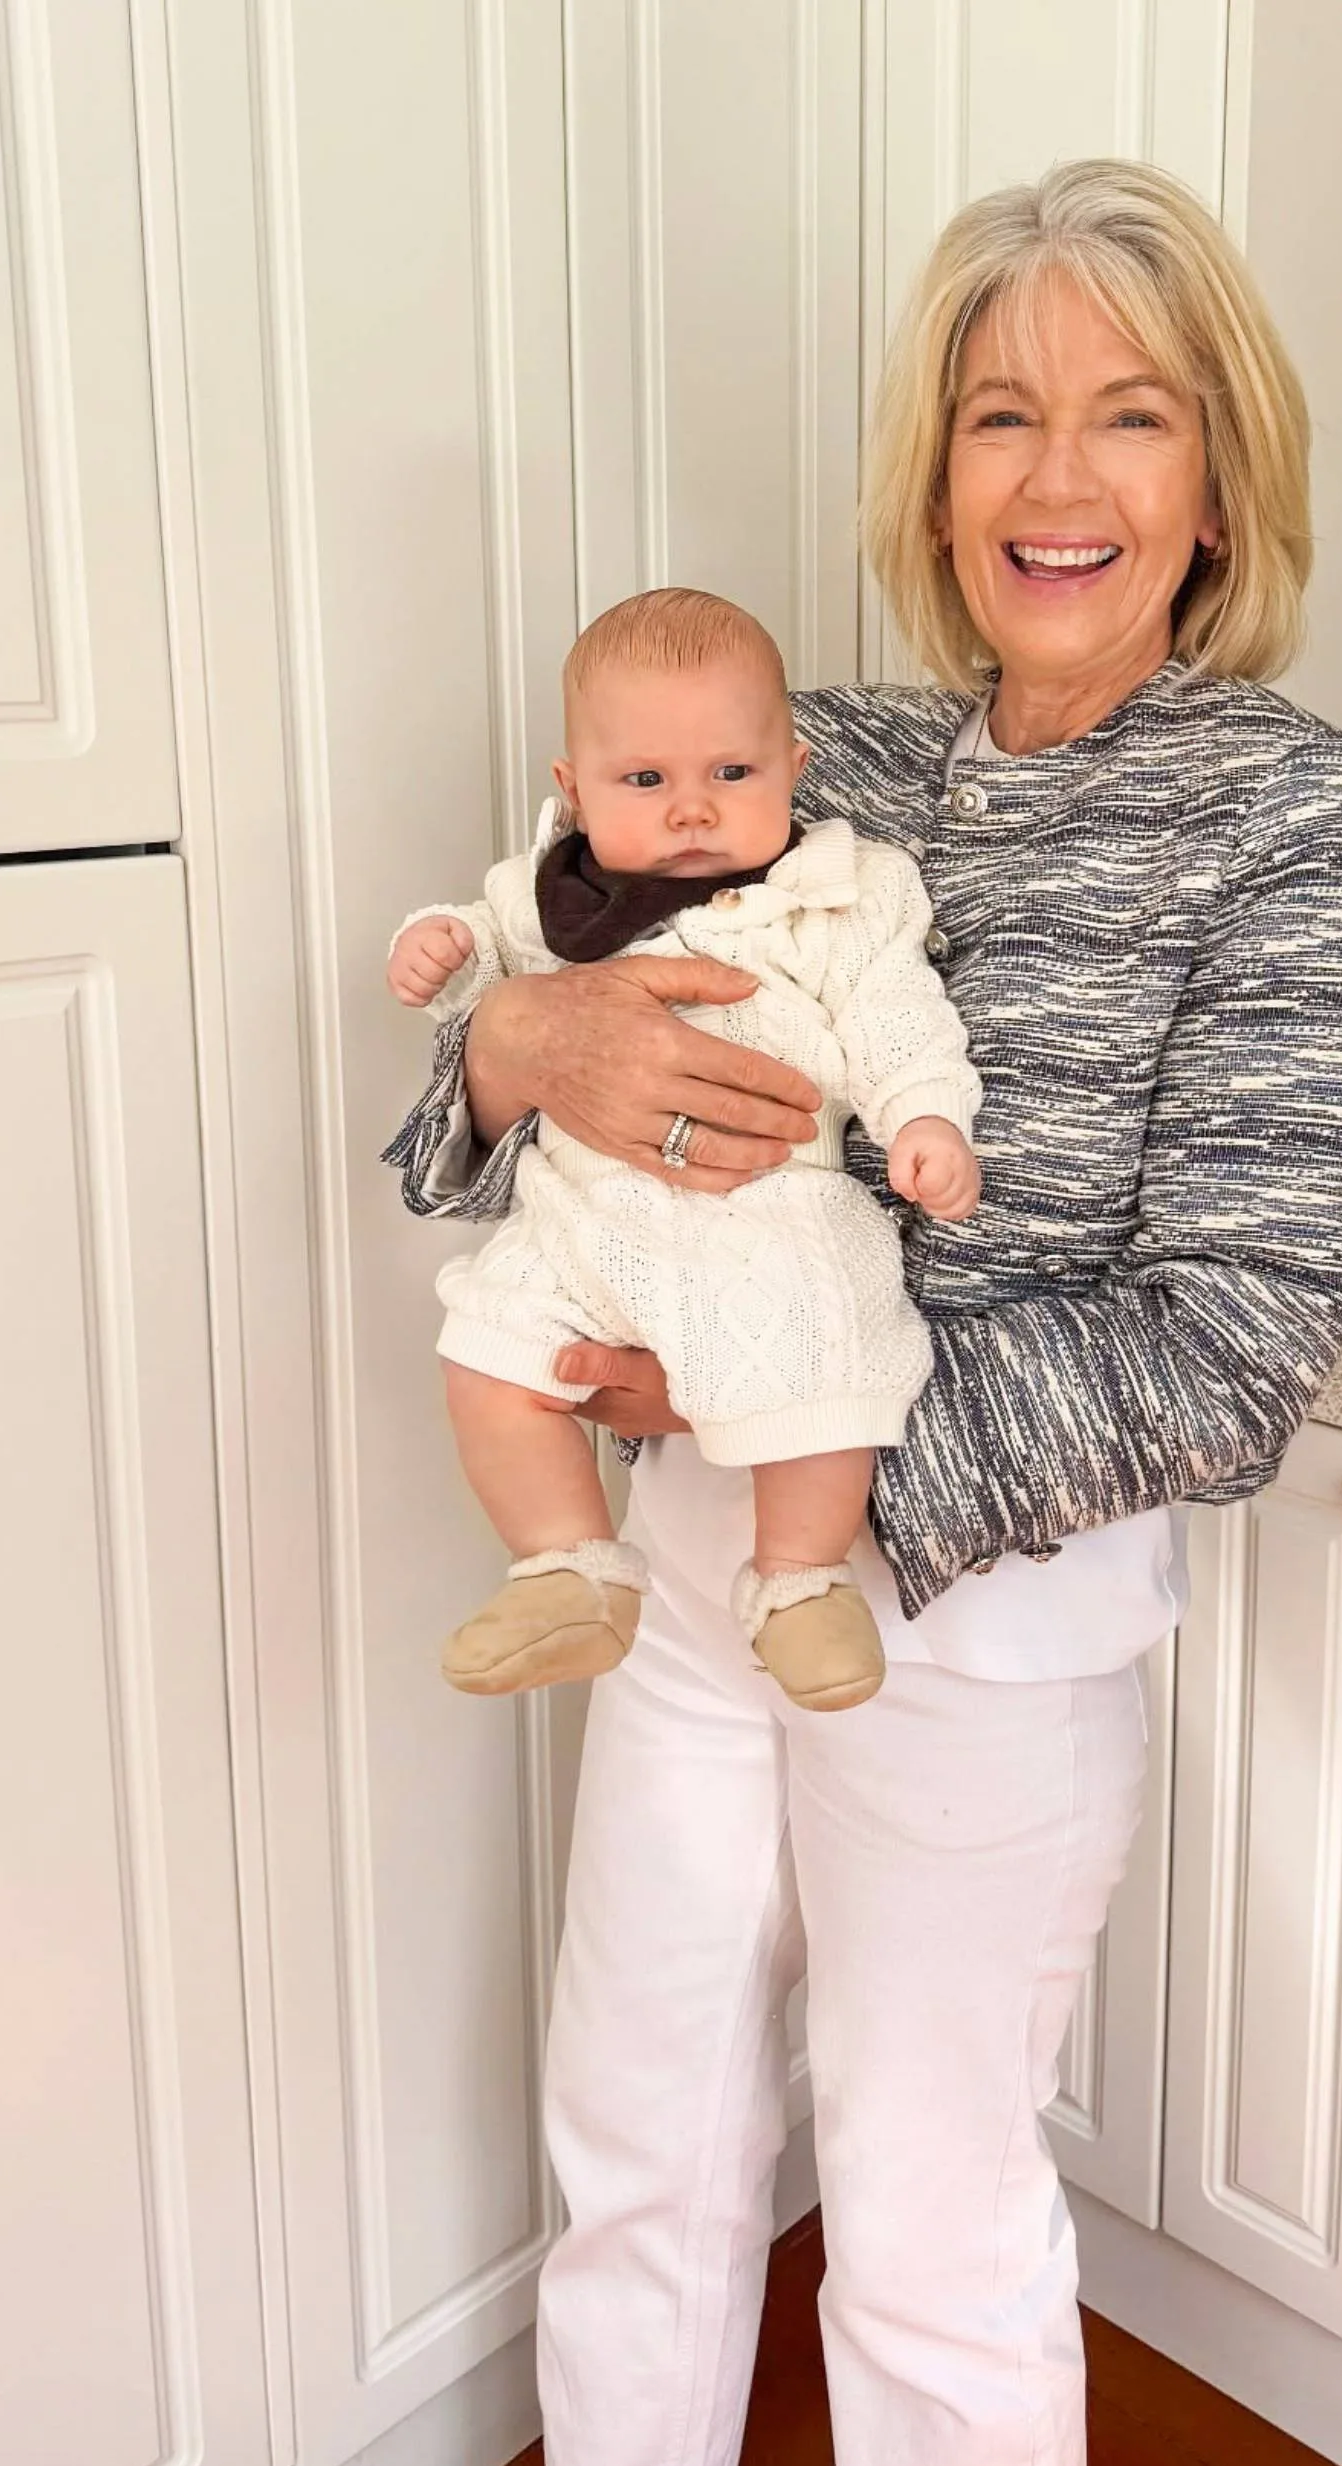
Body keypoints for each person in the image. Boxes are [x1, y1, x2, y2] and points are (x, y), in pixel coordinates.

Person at [387, 157, 1342, 2466]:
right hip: (678, 1584)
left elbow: (1232, 1347)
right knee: (635, 2146)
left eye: (1129, 419)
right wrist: (520, 1053)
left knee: (930, 2231)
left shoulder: (1285, 811)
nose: (1057, 482)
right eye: (996, 419)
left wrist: (780, 1430)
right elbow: (492, 1102)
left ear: (1219, 476)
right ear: (930, 476)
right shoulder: (795, 749)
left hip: (982, 1631)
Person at [386, 590, 980, 1711]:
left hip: (772, 1205)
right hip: (583, 1209)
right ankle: (565, 1564)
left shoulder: (839, 899)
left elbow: (898, 1017)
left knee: (835, 1355)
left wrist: (925, 1119)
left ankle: (804, 1582)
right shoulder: (549, 896)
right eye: (646, 781)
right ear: (573, 789)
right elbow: (487, 986)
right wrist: (449, 956)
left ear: (795, 767)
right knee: (490, 1350)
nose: (692, 809)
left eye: (733, 775)